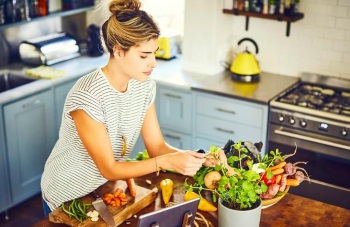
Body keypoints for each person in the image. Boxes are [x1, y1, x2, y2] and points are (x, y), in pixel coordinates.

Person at [41, 0, 225, 215]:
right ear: (118, 51)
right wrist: (166, 162)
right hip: (67, 194)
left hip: (102, 188)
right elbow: (109, 168)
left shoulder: (143, 86)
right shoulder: (87, 96)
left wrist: (198, 160)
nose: (153, 63)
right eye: (144, 55)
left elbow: (156, 146)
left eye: (154, 53)